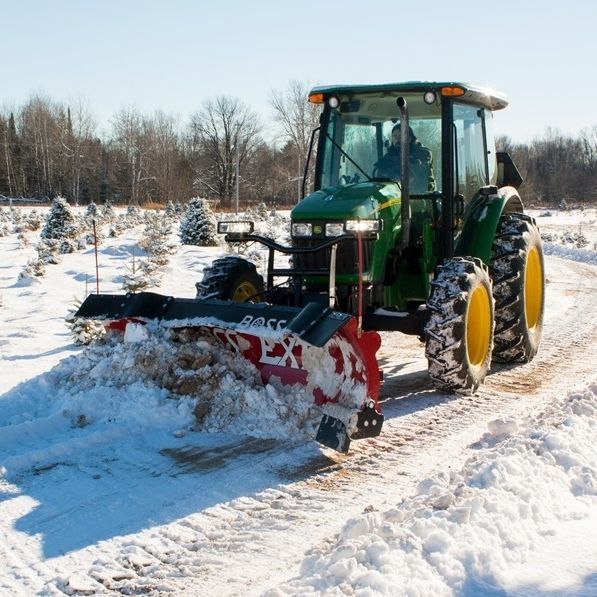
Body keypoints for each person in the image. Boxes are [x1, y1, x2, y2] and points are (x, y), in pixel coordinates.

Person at [374, 124, 435, 192]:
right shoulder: (388, 157)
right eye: (395, 136)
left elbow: (416, 173)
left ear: (410, 137)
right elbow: (379, 179)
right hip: (395, 196)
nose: (398, 139)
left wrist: (397, 182)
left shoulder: (423, 153)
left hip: (421, 196)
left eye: (401, 136)